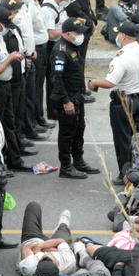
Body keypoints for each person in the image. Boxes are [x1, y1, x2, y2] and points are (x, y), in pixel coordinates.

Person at [88, 21, 139, 183]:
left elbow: (110, 83)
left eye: (118, 34)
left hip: (123, 101)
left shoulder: (121, 57)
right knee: (137, 136)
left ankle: (125, 174)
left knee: (122, 140)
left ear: (122, 36)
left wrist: (94, 82)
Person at [50, 17, 97, 180]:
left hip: (77, 97)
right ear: (68, 34)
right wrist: (65, 101)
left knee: (78, 130)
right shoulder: (61, 50)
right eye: (78, 33)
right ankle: (66, 166)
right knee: (67, 133)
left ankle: (78, 160)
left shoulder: (72, 46)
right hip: (68, 98)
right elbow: (57, 78)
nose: (81, 36)